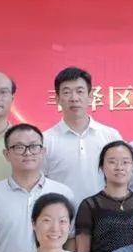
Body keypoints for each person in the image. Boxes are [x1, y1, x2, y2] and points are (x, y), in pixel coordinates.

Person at [0, 123, 74, 252]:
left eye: (34, 146)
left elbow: (70, 239)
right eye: (19, 147)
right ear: (6, 154)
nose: (27, 153)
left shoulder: (63, 193)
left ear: (43, 152)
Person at [44, 66, 121, 204]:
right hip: (62, 215)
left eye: (80, 91)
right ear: (57, 99)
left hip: (104, 213)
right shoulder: (45, 140)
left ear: (90, 97)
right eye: (66, 92)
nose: (74, 98)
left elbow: (122, 179)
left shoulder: (110, 136)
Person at [75, 141, 133, 252]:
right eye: (112, 162)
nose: (119, 167)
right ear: (101, 167)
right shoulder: (90, 205)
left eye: (125, 162)